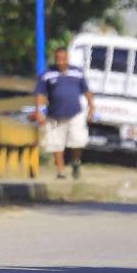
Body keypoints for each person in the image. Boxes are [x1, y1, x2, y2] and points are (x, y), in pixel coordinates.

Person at [34, 46, 96, 180]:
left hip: (75, 113)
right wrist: (39, 111)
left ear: (67, 59)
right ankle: (61, 171)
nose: (60, 62)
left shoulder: (77, 73)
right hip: (55, 114)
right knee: (56, 143)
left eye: (63, 59)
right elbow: (40, 93)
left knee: (77, 141)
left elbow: (87, 91)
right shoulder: (47, 74)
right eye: (58, 59)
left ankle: (75, 162)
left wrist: (91, 107)